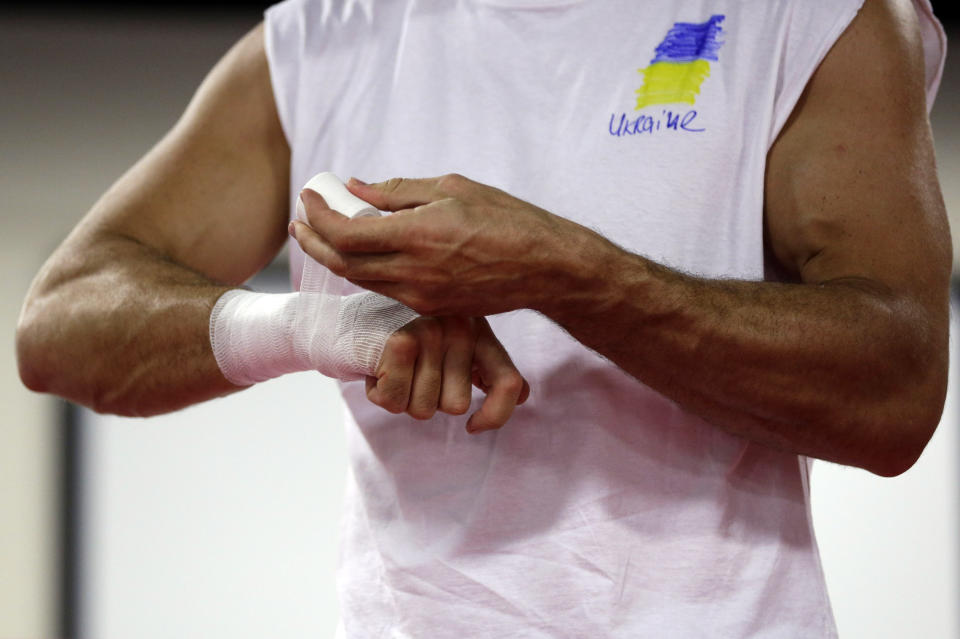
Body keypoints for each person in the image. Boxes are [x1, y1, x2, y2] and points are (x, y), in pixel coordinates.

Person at [16, 0, 950, 636]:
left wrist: (570, 274)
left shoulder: (816, 19)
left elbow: (897, 389)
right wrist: (329, 329)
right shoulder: (324, 39)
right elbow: (60, 324)